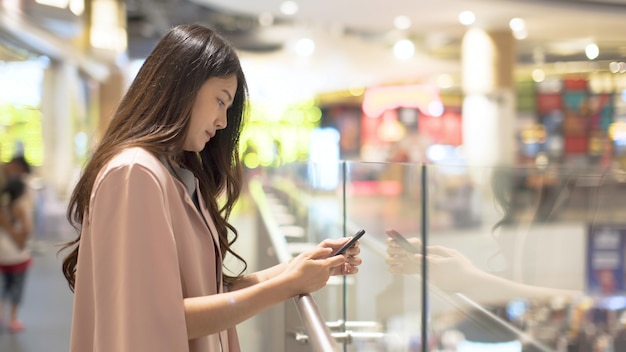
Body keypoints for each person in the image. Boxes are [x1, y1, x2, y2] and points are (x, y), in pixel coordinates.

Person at [59, 24, 362, 352]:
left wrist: (295, 268)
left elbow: (208, 293)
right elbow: (159, 319)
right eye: (220, 101)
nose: (221, 122)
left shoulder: (174, 173)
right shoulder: (136, 173)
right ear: (182, 88)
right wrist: (288, 284)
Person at [0, 173, 34, 333]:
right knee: (17, 287)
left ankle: (2, 314)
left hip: (2, 254)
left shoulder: (2, 207)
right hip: (18, 255)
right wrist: (18, 239)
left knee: (3, 285)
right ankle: (13, 319)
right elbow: (27, 229)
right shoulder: (20, 207)